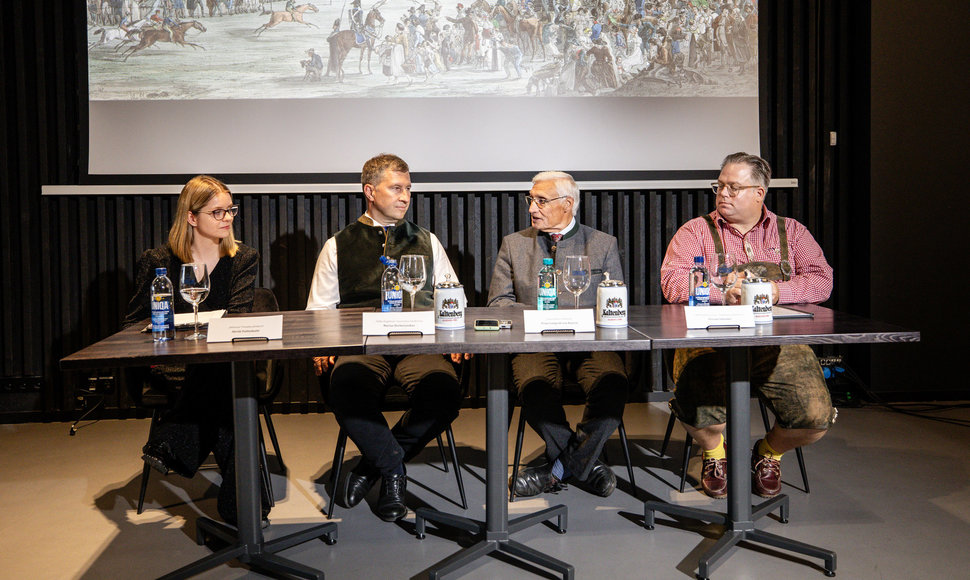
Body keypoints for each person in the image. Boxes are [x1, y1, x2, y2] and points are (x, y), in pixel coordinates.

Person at [659, 152, 837, 499]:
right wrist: (722, 294)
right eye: (720, 186)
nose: (723, 193)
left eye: (733, 187)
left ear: (759, 193)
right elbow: (672, 284)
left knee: (815, 418)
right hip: (710, 340)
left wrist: (776, 290)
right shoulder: (695, 232)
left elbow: (822, 282)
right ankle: (714, 453)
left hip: (779, 343)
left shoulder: (792, 233)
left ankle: (768, 453)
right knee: (698, 406)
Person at [306, 154, 469, 522]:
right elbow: (319, 310)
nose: (405, 196)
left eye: (408, 189)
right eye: (396, 188)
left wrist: (455, 335)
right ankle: (394, 470)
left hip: (420, 343)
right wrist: (324, 347)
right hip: (364, 345)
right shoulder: (338, 245)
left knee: (443, 392)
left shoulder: (427, 241)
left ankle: (370, 467)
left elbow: (454, 296)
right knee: (345, 387)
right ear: (370, 191)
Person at [124, 175, 261, 526]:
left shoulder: (243, 257)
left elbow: (239, 316)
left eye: (231, 210)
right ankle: (245, 515)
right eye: (217, 212)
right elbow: (133, 322)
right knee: (231, 402)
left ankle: (173, 442)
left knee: (217, 371)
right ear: (191, 216)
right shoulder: (158, 261)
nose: (227, 218)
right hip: (172, 366)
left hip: (221, 363)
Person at [488, 171, 628, 499]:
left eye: (541, 201)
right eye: (530, 200)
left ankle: (559, 469)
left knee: (613, 382)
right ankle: (584, 464)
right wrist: (535, 319)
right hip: (535, 341)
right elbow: (498, 303)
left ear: (567, 204)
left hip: (590, 342)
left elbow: (616, 298)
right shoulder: (514, 244)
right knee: (535, 386)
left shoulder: (603, 244)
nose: (532, 208)